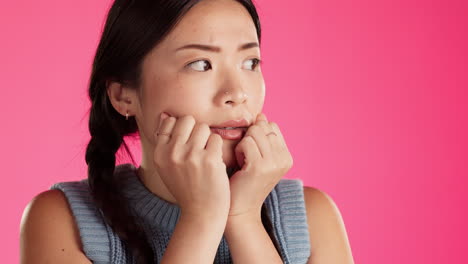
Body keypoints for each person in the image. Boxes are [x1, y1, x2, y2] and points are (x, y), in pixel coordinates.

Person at [20, 0, 354, 263]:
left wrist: (244, 219)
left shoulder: (312, 217)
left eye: (250, 63)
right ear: (124, 95)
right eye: (201, 64)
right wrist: (202, 219)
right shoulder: (62, 220)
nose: (237, 92)